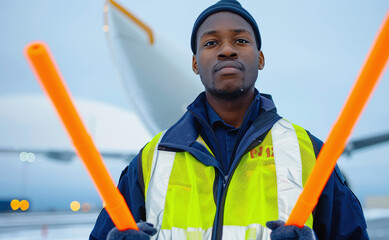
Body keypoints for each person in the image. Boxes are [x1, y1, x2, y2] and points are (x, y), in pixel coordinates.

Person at [90, 0, 369, 239]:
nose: (227, 50)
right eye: (211, 43)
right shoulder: (152, 159)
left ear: (260, 58)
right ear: (195, 63)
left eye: (241, 40)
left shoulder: (309, 152)